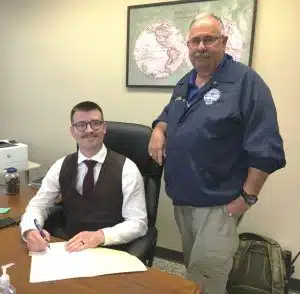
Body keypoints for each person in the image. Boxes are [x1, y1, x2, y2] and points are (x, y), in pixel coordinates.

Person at [148, 13, 286, 294]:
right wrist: (158, 130)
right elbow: (168, 116)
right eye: (195, 41)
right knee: (194, 266)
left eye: (208, 39)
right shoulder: (186, 81)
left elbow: (266, 148)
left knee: (209, 274)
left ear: (223, 42)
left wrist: (247, 197)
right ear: (187, 46)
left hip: (218, 203)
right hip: (182, 198)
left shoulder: (246, 82)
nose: (201, 46)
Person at [20, 101, 147, 253]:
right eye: (81, 125)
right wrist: (30, 231)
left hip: (111, 249)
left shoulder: (127, 169)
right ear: (72, 131)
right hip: (69, 247)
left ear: (104, 128)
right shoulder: (61, 165)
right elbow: (38, 206)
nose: (89, 130)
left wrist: (100, 236)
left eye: (95, 123)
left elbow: (138, 223)